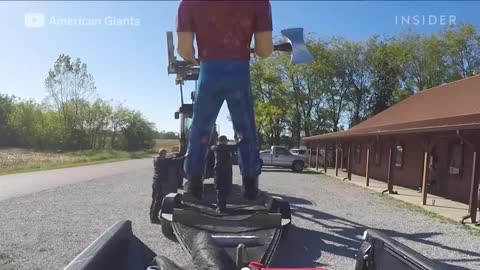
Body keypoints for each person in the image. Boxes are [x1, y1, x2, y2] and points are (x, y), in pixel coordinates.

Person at [176, 0, 273, 201]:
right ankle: (250, 186)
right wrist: (249, 47)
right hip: (239, 72)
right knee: (245, 129)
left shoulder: (188, 3)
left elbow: (185, 49)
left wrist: (196, 58)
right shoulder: (260, 3)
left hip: (209, 72)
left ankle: (194, 185)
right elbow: (264, 50)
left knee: (200, 127)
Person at [150, 148, 186, 224]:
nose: (165, 155)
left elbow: (168, 159)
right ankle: (154, 218)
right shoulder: (164, 161)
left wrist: (171, 156)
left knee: (154, 200)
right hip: (160, 183)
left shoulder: (156, 160)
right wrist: (185, 156)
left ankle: (152, 216)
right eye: (164, 154)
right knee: (159, 200)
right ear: (162, 154)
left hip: (155, 182)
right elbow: (176, 160)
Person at [210, 135, 238, 213]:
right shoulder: (227, 148)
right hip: (226, 172)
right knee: (225, 189)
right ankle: (221, 207)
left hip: (218, 172)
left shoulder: (215, 147)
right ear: (225, 141)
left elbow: (211, 147)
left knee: (219, 189)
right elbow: (237, 146)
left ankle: (220, 207)